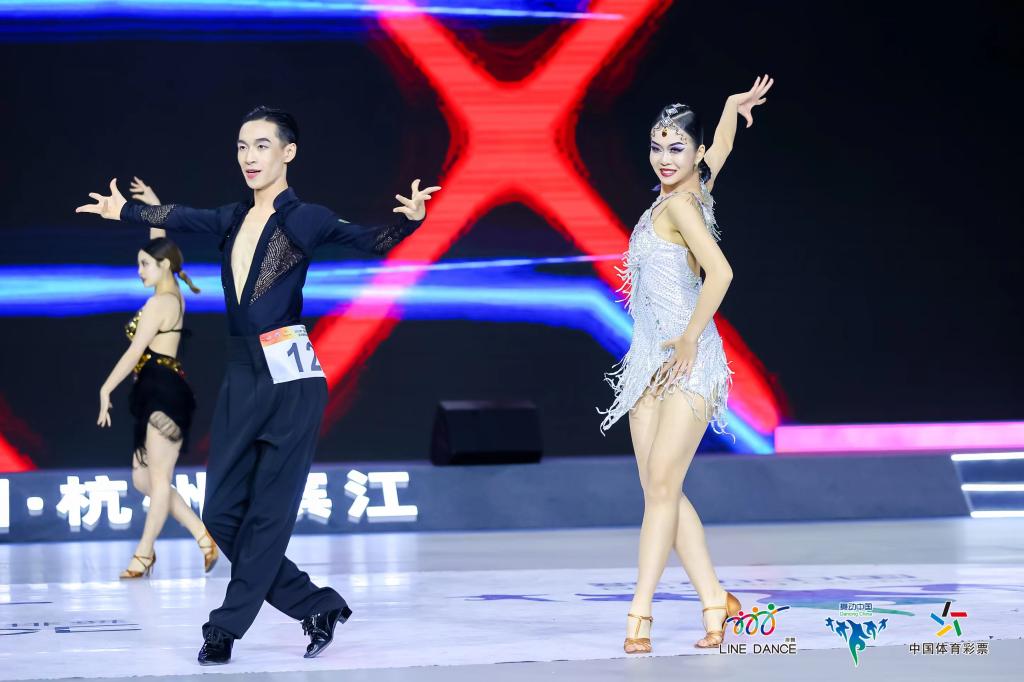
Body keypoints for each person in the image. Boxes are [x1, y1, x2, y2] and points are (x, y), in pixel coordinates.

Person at [77, 106, 440, 664]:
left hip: (292, 378)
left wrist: (410, 220)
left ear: (288, 152)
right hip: (243, 375)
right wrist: (124, 209)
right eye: (242, 147)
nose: (249, 157)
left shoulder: (308, 218)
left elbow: (371, 241)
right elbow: (178, 214)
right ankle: (317, 605)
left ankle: (224, 627)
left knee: (269, 515)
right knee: (222, 512)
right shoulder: (230, 218)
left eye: (262, 145)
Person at [598, 76, 774, 653]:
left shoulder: (680, 206)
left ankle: (639, 614)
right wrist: (729, 109)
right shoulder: (694, 187)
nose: (664, 158)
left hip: (688, 362)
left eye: (677, 148)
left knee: (662, 488)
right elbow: (720, 149)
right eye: (657, 146)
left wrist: (692, 338)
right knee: (661, 489)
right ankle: (715, 601)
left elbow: (721, 272)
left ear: (692, 154)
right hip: (647, 364)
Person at [97, 176, 218, 579]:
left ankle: (144, 554)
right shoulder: (170, 293)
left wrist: (105, 388)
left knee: (159, 479)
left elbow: (135, 352)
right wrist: (153, 207)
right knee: (143, 479)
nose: (139, 271)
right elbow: (159, 246)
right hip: (153, 390)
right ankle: (203, 535)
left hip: (163, 391)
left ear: (163, 266)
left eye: (144, 265)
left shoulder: (161, 303)